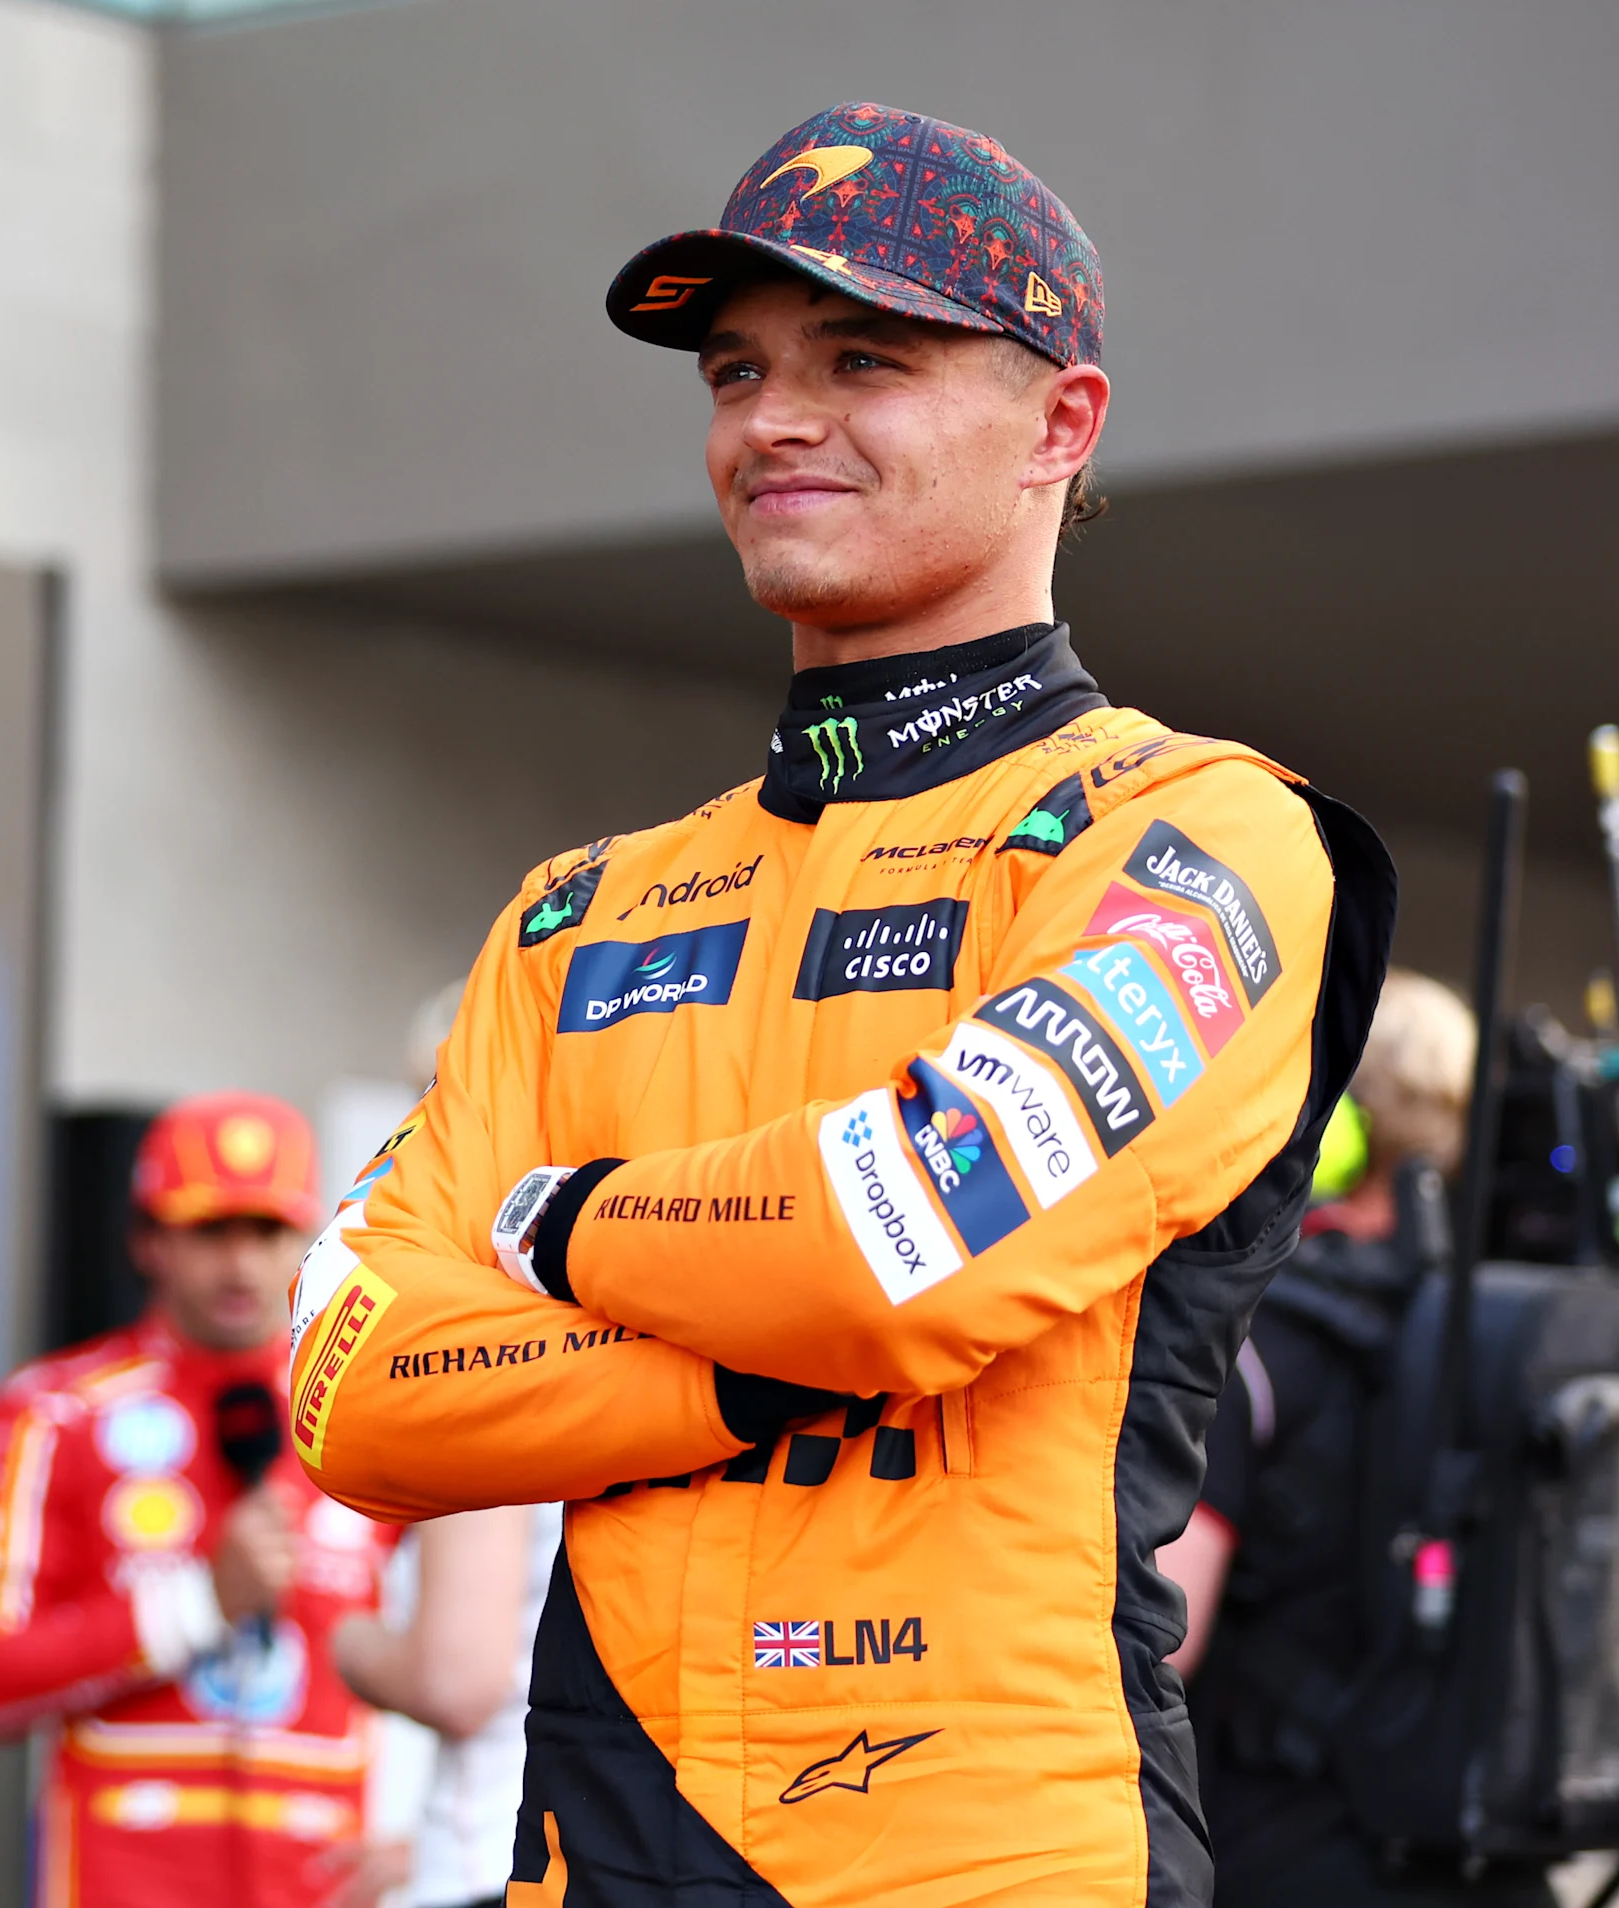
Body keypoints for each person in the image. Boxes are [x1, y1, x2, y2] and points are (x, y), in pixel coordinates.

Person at [286, 102, 1396, 1908]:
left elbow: (912, 1239)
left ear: (1061, 421)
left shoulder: (1195, 832)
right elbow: (356, 1384)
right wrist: (773, 1331)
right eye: (733, 373)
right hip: (593, 1855)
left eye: (861, 358)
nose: (770, 421)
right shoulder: (583, 910)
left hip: (990, 1856)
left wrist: (551, 1227)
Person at [0, 1092, 404, 1906]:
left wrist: (439, 1832)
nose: (241, 1265)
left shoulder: (377, 1415)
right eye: (209, 1230)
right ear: (146, 1238)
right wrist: (195, 1605)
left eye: (267, 1232)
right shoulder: (54, 1414)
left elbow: (484, 1653)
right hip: (121, 1876)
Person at [1164, 972, 1542, 1904]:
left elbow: (1168, 1633)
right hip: (1474, 1850)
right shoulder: (1493, 1330)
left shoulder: (1255, 1332)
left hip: (1278, 1849)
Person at [334, 1500, 557, 1908]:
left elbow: (456, 1684)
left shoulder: (486, 1440)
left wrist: (345, 1643)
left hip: (495, 1858)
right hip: (587, 1846)